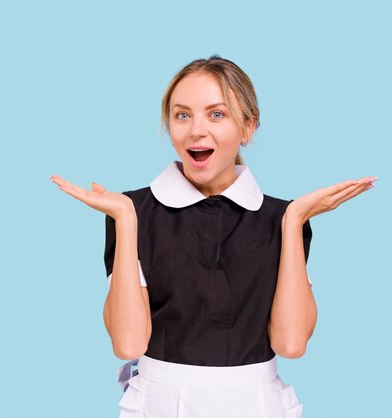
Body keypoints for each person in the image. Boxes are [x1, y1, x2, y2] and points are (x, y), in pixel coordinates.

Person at [49, 55, 375, 418]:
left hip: (257, 407)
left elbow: (291, 342)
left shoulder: (281, 218)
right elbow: (128, 344)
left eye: (216, 114)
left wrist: (294, 218)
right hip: (159, 406)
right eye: (182, 114)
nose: (195, 130)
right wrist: (125, 217)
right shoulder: (132, 211)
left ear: (248, 127)